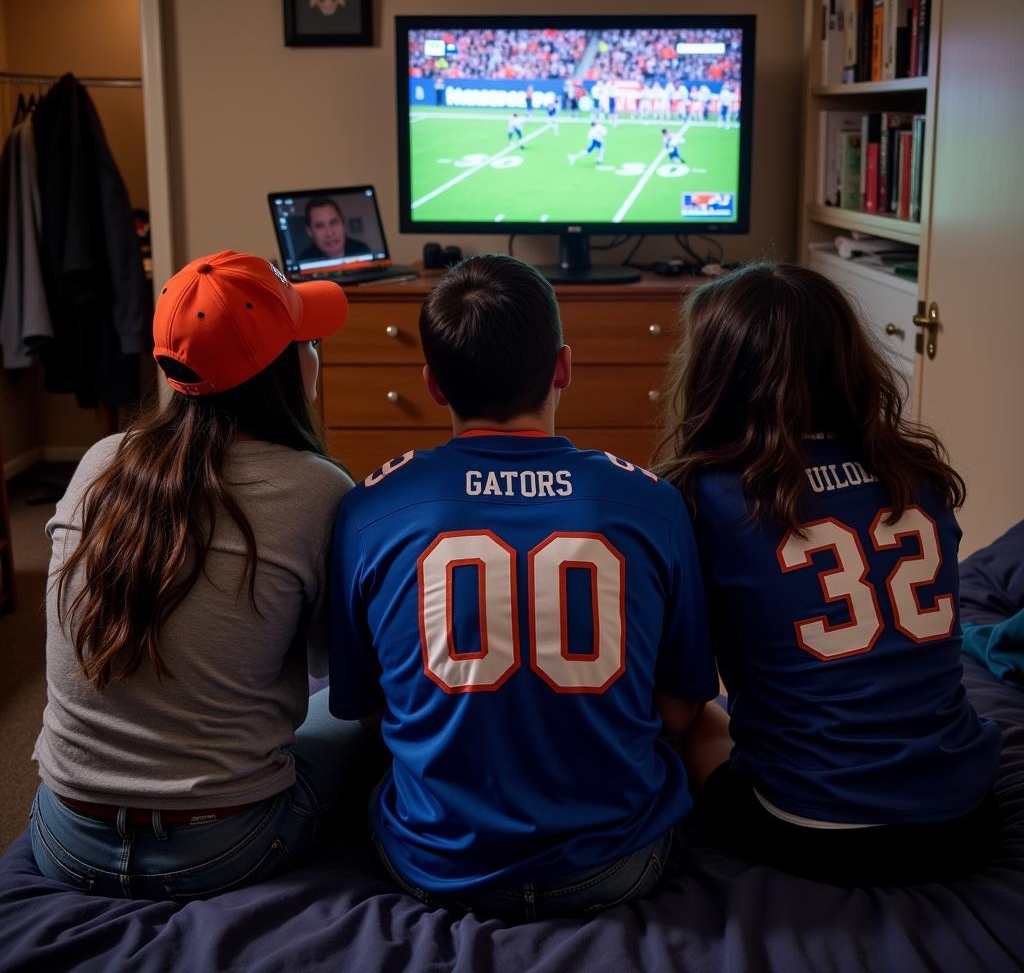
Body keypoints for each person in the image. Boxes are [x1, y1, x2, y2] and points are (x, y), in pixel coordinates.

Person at [327, 254, 717, 919]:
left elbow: (369, 711)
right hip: (616, 864)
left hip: (435, 864)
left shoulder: (369, 508)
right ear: (562, 368)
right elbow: (679, 711)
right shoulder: (651, 501)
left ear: (435, 384)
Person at [30, 250, 380, 900]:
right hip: (223, 846)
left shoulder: (100, 460)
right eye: (307, 341)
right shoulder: (317, 490)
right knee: (366, 723)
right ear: (287, 367)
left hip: (63, 838)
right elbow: (344, 677)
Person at [655, 262, 1002, 886]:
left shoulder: (707, 498)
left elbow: (679, 704)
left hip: (815, 830)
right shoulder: (916, 471)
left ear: (717, 374)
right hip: (965, 819)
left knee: (693, 723)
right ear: (850, 360)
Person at [299, 198, 371, 261]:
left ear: (343, 225)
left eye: (334, 223)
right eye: (319, 226)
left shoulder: (362, 250)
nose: (329, 233)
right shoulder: (303, 260)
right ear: (309, 231)